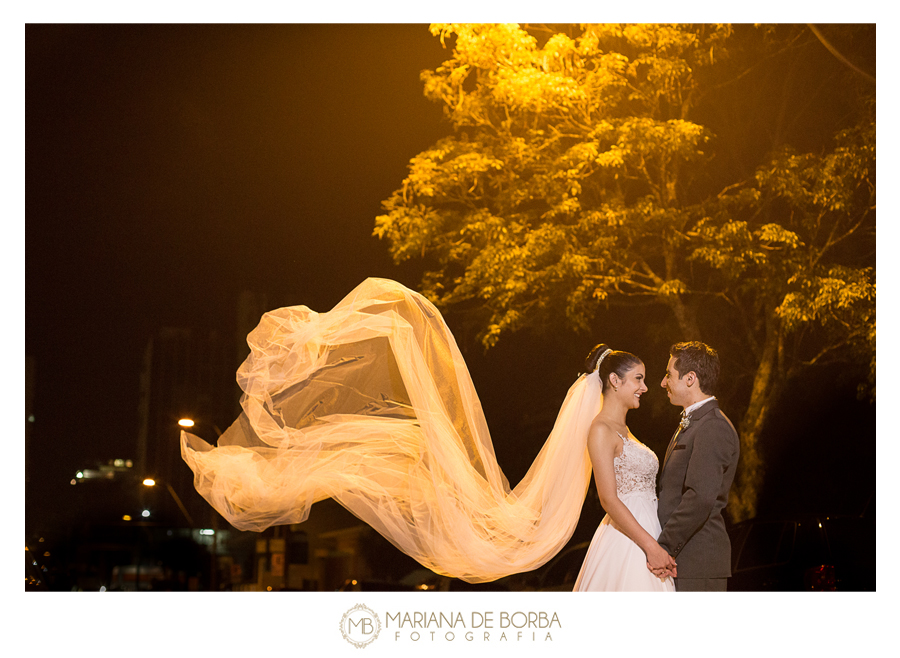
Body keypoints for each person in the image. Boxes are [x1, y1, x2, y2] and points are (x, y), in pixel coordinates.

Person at [573, 344, 675, 592]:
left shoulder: (625, 431)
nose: (645, 388)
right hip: (628, 541)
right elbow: (608, 499)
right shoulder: (600, 430)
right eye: (638, 379)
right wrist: (651, 548)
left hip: (649, 529)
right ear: (614, 380)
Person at [653, 341, 740, 591]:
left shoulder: (713, 426)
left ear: (690, 378)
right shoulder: (694, 422)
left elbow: (700, 498)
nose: (663, 382)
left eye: (668, 374)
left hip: (697, 562)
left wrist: (663, 547)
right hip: (684, 560)